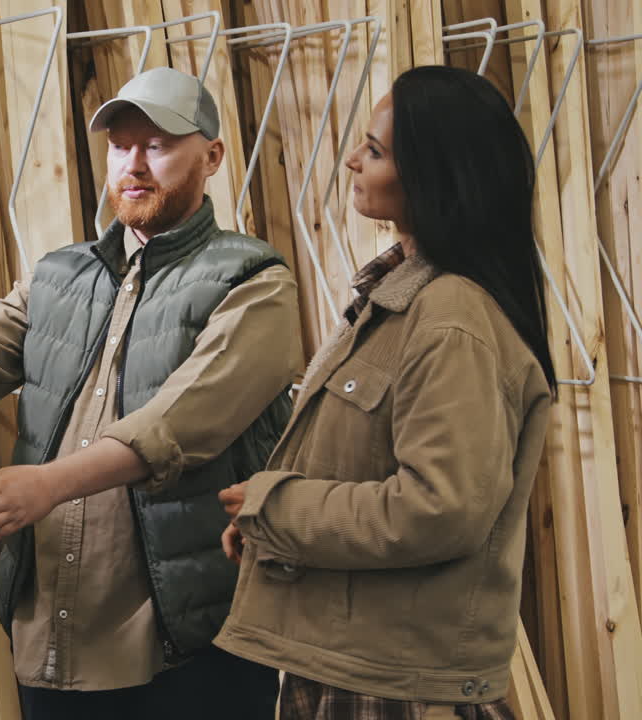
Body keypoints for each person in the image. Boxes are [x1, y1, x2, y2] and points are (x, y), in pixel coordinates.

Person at [0, 67, 301, 718]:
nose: (134, 165)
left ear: (212, 156)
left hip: (191, 639)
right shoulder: (62, 276)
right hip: (53, 633)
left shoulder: (255, 283)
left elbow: (182, 424)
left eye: (157, 146)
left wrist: (46, 485)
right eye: (120, 146)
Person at [214, 65, 555, 720]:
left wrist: (278, 509)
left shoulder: (449, 315)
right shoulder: (400, 301)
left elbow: (440, 508)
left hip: (395, 688)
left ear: (435, 174)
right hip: (356, 667)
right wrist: (268, 529)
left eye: (373, 149)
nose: (350, 160)